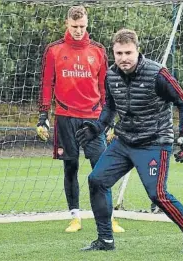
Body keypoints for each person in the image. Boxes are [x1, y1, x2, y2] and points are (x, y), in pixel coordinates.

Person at [76, 28, 183, 253]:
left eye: (128, 53)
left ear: (137, 51)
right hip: (124, 141)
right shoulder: (111, 75)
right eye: (118, 53)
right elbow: (110, 107)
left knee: (158, 194)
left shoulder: (158, 74)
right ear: (113, 53)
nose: (123, 58)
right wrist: (96, 127)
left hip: (155, 142)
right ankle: (105, 240)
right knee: (97, 180)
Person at [36, 5, 124, 233]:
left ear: (87, 24)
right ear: (67, 23)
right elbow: (47, 84)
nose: (78, 30)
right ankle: (75, 216)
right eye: (74, 26)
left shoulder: (98, 50)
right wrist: (43, 115)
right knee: (70, 167)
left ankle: (108, 217)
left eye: (82, 26)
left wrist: (110, 119)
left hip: (94, 119)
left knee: (101, 169)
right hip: (65, 118)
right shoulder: (54, 50)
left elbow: (106, 89)